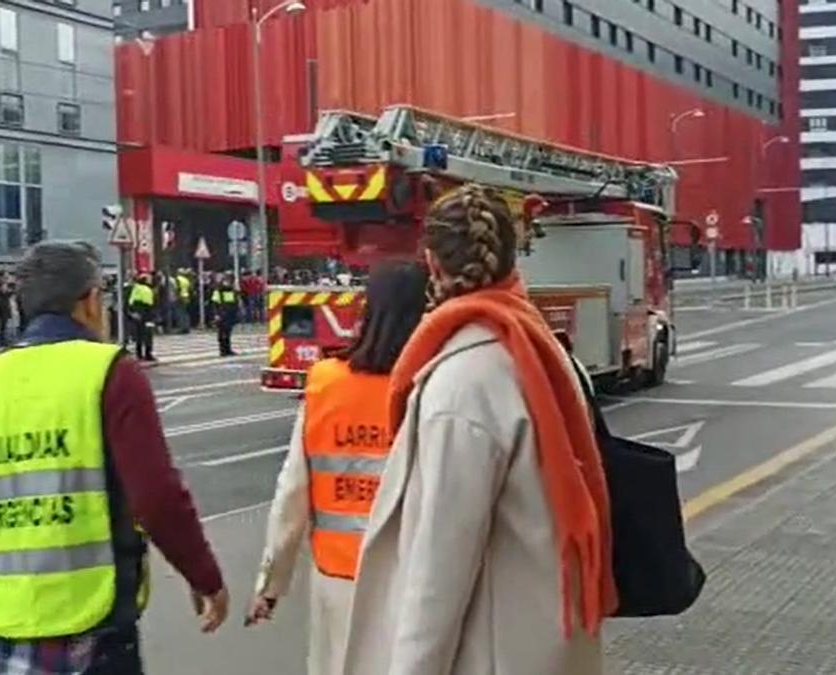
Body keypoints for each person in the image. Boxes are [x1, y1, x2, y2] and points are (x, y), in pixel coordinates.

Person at [0, 242, 229, 675]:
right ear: (91, 302)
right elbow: (158, 497)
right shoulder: (109, 372)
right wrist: (204, 577)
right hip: (90, 625)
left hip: (3, 626)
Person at [340, 184, 615, 675]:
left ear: (433, 264)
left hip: (490, 656)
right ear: (513, 261)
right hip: (550, 642)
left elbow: (437, 572)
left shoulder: (461, 385)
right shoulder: (548, 354)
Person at [245, 261, 428, 675]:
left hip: (338, 580)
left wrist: (271, 585)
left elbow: (292, 494)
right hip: (414, 580)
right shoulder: (431, 384)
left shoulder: (326, 384)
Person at [127, 273, 156, 362]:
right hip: (146, 313)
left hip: (139, 312)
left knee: (140, 334)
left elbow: (130, 301)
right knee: (147, 335)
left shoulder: (136, 288)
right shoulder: (146, 289)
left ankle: (139, 354)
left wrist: (132, 312)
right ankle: (147, 354)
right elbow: (150, 303)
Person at [212, 275, 239, 357]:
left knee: (228, 333)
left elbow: (235, 303)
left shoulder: (233, 291)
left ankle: (228, 349)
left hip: (230, 314)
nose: (227, 283)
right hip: (221, 314)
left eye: (229, 281)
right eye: (226, 281)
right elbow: (215, 304)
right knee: (221, 333)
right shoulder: (218, 291)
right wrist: (216, 314)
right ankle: (222, 350)